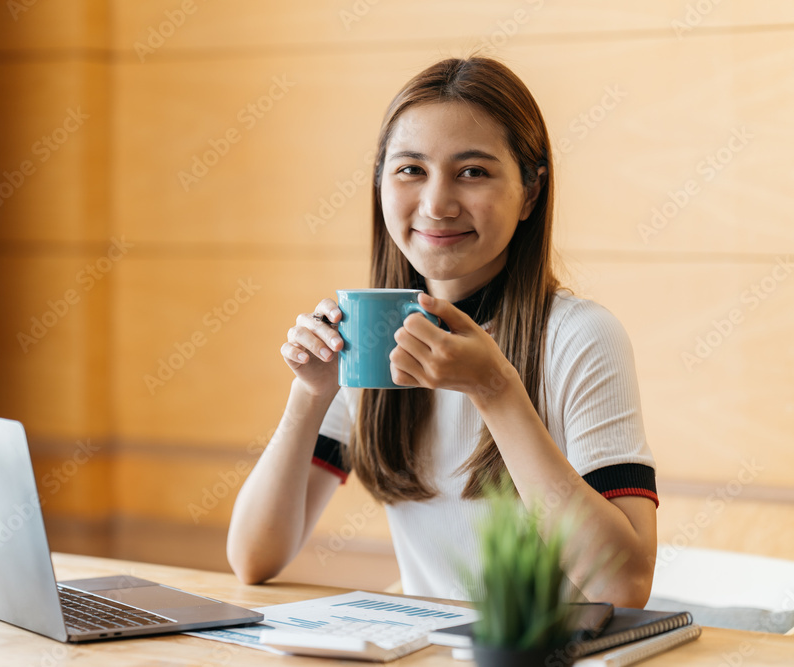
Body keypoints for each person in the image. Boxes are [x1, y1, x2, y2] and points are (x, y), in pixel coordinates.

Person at [226, 56, 657, 607]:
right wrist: (310, 395)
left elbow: (623, 587)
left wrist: (495, 389)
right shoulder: (369, 337)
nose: (436, 204)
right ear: (381, 183)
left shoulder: (581, 337)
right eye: (410, 170)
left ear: (529, 192)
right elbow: (253, 558)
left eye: (473, 172)